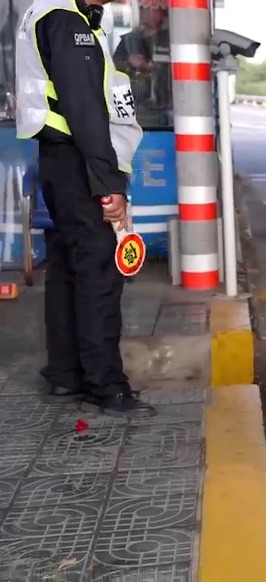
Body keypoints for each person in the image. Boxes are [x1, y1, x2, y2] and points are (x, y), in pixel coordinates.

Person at [16, 0, 155, 418]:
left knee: (67, 267)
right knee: (97, 271)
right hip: (79, 160)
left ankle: (66, 372)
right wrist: (108, 184)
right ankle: (106, 386)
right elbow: (86, 111)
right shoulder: (66, 19)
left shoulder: (49, 11)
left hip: (61, 159)